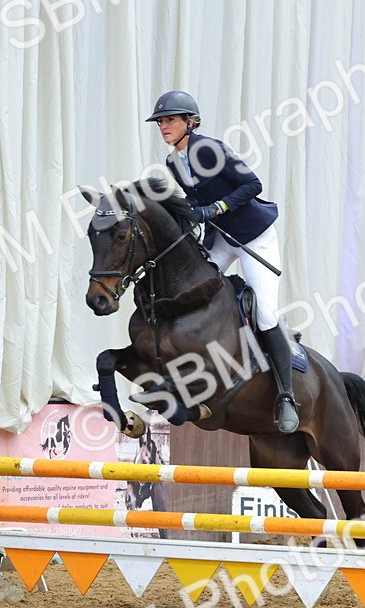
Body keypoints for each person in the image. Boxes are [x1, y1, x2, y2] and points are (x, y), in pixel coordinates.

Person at [146, 90, 299, 434]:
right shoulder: (173, 163)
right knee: (192, 292)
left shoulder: (210, 149)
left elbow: (252, 184)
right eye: (160, 122)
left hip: (254, 237)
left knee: (266, 314)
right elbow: (196, 198)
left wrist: (216, 208)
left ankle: (287, 395)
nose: (163, 126)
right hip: (222, 241)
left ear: (190, 122)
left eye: (170, 120)